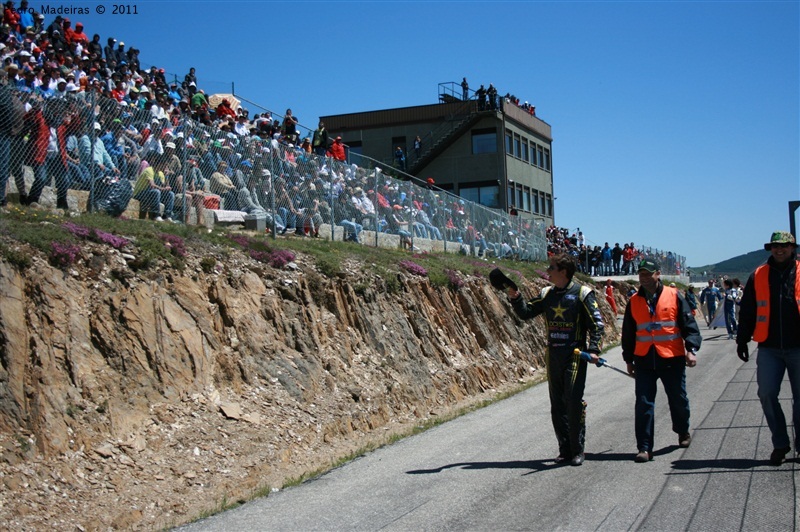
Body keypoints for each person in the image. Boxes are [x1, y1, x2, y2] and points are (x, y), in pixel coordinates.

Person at [502, 253, 605, 466]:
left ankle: (578, 450)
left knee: (573, 402)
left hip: (575, 355)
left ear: (563, 272)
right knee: (557, 404)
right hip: (553, 355)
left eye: (551, 268)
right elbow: (526, 313)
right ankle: (564, 450)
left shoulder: (583, 294)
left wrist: (594, 349)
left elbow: (597, 325)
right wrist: (516, 297)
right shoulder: (546, 293)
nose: (547, 271)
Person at [622, 259, 701, 463]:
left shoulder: (674, 296)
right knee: (644, 404)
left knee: (678, 399)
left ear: (658, 274)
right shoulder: (634, 301)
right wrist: (628, 359)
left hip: (671, 358)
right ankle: (645, 447)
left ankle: (682, 431)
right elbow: (629, 333)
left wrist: (691, 349)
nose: (644, 277)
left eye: (648, 273)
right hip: (644, 359)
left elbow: (689, 326)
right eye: (641, 274)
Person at [736, 231, 800, 466]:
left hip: (798, 346)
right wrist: (742, 339)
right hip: (769, 346)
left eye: (784, 246)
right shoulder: (759, 275)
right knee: (766, 393)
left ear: (793, 248)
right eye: (775, 246)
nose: (779, 249)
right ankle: (780, 443)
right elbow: (748, 309)